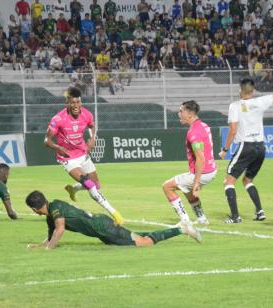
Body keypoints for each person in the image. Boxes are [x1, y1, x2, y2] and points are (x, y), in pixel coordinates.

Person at [219, 78, 273, 223]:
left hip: (246, 146)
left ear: (239, 90)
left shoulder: (235, 106)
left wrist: (225, 149)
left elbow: (232, 130)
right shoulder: (261, 101)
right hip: (260, 147)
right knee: (247, 180)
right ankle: (260, 211)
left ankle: (235, 217)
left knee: (228, 182)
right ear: (253, 90)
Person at [45, 87, 124, 225]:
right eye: (73, 103)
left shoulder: (87, 114)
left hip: (82, 153)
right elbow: (47, 141)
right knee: (89, 185)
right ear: (67, 103)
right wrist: (58, 148)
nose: (76, 106)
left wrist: (93, 138)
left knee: (96, 185)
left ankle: (73, 188)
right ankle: (114, 213)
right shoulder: (58, 119)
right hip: (68, 158)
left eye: (78, 102)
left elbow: (92, 126)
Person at [25, 191, 202, 249]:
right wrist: (40, 246)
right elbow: (52, 235)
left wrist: (49, 250)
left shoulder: (55, 210)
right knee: (138, 237)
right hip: (102, 230)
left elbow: (60, 230)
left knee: (145, 242)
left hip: (103, 227)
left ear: (34, 208)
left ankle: (183, 229)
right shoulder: (52, 213)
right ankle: (179, 227)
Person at [162, 101, 216, 225]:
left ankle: (184, 220)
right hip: (210, 170)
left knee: (167, 186)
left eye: (181, 111)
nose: (179, 113)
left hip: (203, 171)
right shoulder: (203, 125)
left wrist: (196, 182)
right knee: (187, 190)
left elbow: (200, 159)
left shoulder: (194, 132)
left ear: (190, 113)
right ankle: (201, 218)